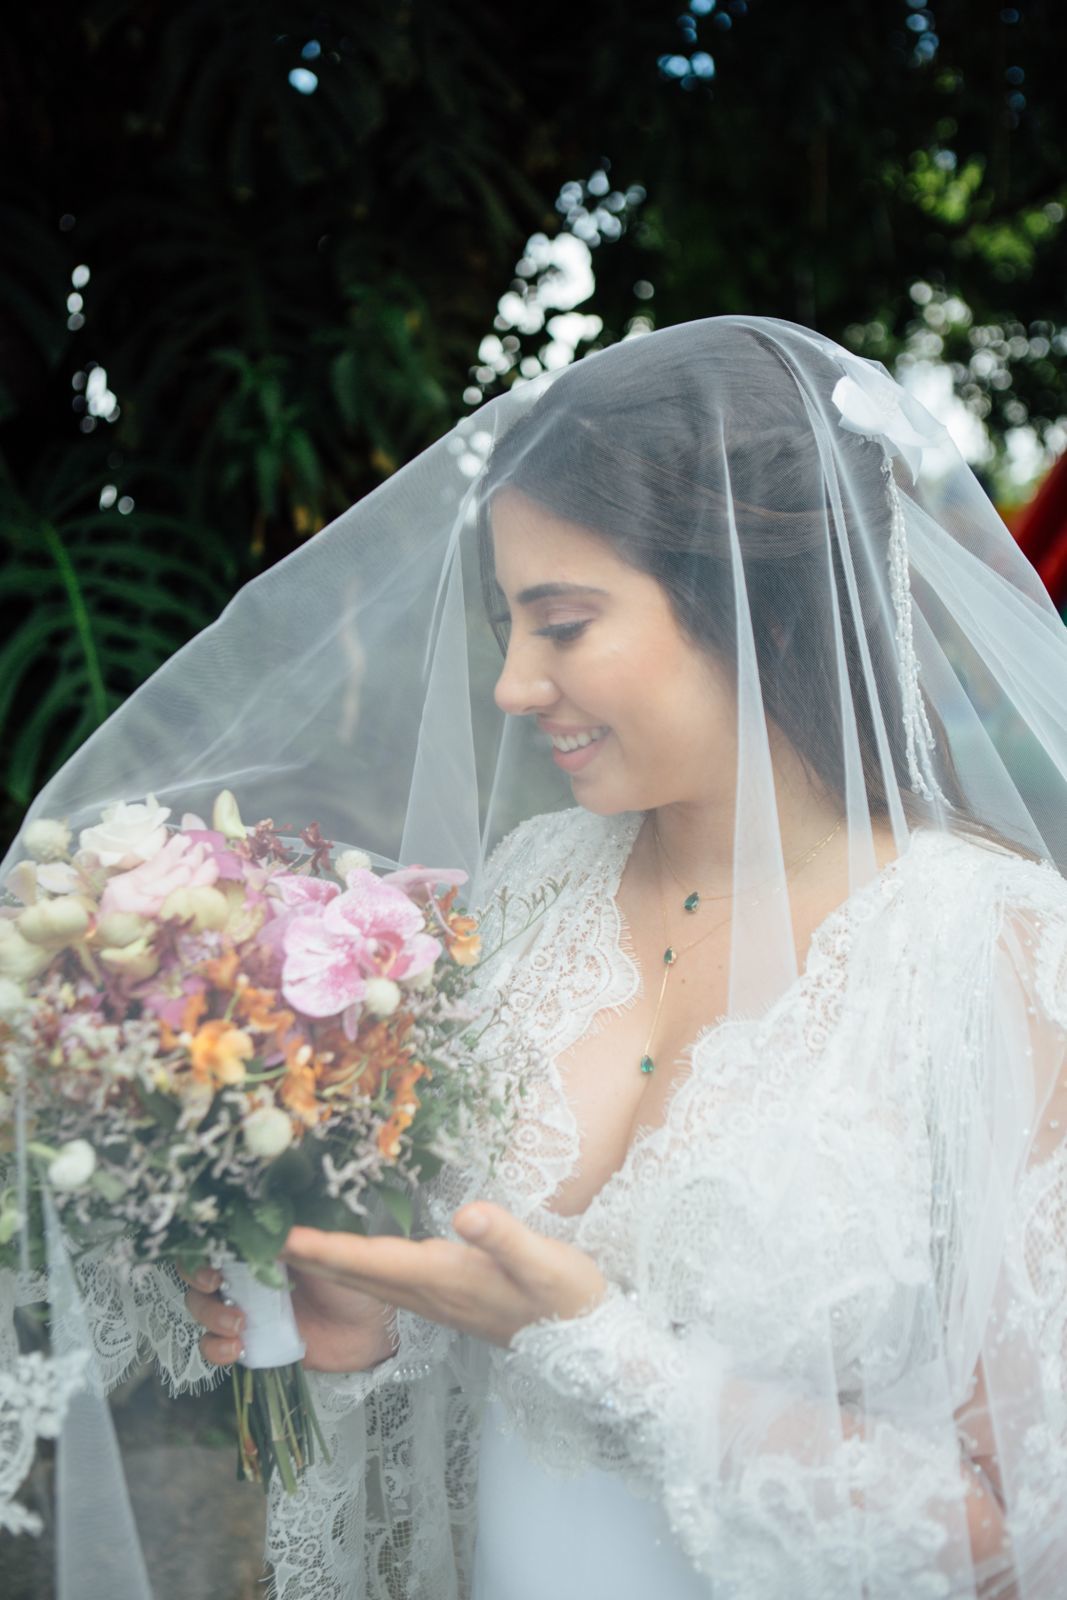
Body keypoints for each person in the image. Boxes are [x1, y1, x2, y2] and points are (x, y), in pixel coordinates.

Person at [6, 317, 1067, 1598]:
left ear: (760, 606)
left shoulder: (995, 953)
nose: (512, 684)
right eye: (509, 621)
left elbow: (1018, 1533)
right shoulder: (529, 889)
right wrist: (373, 1329)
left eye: (561, 623)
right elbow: (477, 1368)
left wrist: (597, 1347)